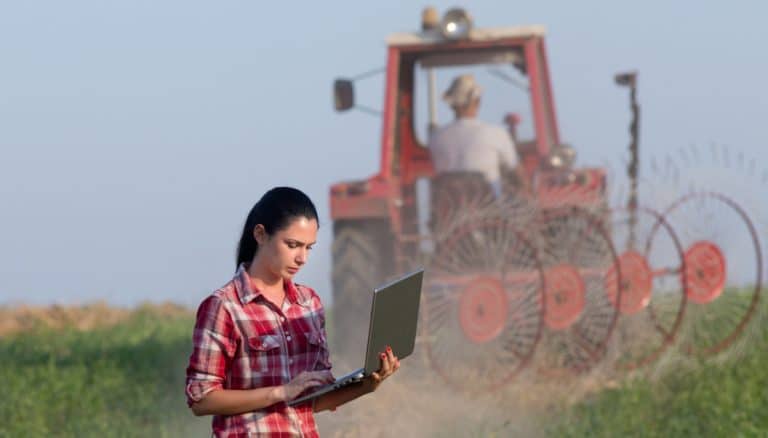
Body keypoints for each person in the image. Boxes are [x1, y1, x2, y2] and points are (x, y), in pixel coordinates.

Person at [185, 187, 400, 437]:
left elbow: (314, 401)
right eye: (293, 245)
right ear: (260, 234)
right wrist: (279, 392)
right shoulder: (224, 306)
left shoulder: (309, 304)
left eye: (309, 247)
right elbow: (201, 400)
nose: (302, 258)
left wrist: (367, 385)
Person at [428, 74, 528, 195]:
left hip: (446, 210)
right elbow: (519, 176)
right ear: (477, 102)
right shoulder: (496, 134)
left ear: (452, 105)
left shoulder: (435, 138)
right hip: (489, 210)